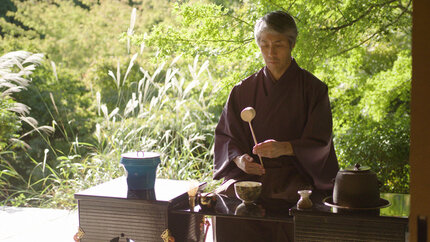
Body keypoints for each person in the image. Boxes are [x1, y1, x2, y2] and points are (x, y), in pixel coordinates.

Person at [213, 10, 339, 241]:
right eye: (264, 45)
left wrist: (285, 148)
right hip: (251, 179)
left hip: (293, 176)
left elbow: (320, 142)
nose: (270, 52)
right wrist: (241, 160)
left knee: (297, 198)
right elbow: (227, 136)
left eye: (278, 45)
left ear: (291, 45)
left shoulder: (313, 89)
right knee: (226, 197)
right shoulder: (242, 90)